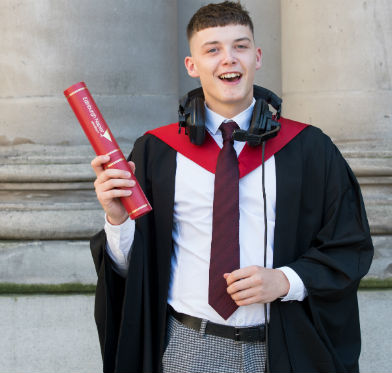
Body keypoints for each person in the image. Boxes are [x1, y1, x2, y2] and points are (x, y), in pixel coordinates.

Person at [89, 1, 373, 372]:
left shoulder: (308, 149)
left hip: (285, 344)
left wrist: (285, 281)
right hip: (188, 346)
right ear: (192, 66)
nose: (229, 59)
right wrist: (116, 221)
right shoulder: (156, 152)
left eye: (240, 46)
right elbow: (133, 270)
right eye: (213, 49)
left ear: (257, 57)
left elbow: (349, 245)